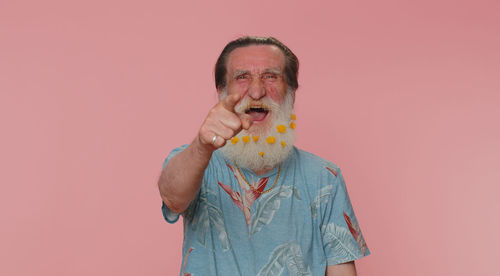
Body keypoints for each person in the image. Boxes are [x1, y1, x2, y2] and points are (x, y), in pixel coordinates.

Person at [158, 36, 370, 276]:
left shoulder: (325, 177)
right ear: (221, 92)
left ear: (290, 92)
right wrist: (202, 146)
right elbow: (172, 197)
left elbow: (341, 269)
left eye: (271, 76)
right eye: (242, 77)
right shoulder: (196, 161)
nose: (257, 91)